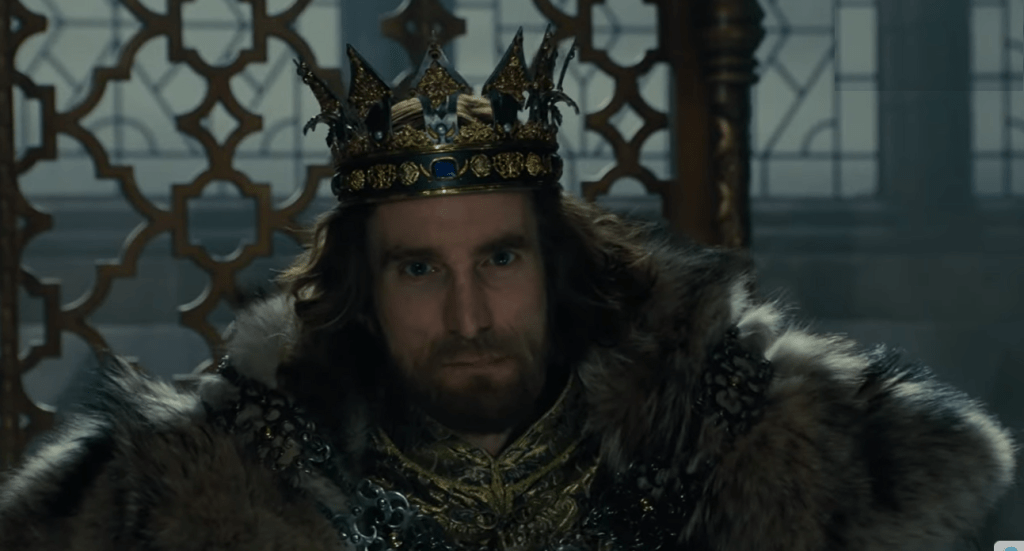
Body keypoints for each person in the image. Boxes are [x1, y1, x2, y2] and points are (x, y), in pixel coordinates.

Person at [0, 29, 1016, 551]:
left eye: (499, 259)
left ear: (553, 263)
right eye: (418, 269)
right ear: (362, 290)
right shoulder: (242, 466)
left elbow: (953, 475)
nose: (469, 316)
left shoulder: (718, 420)